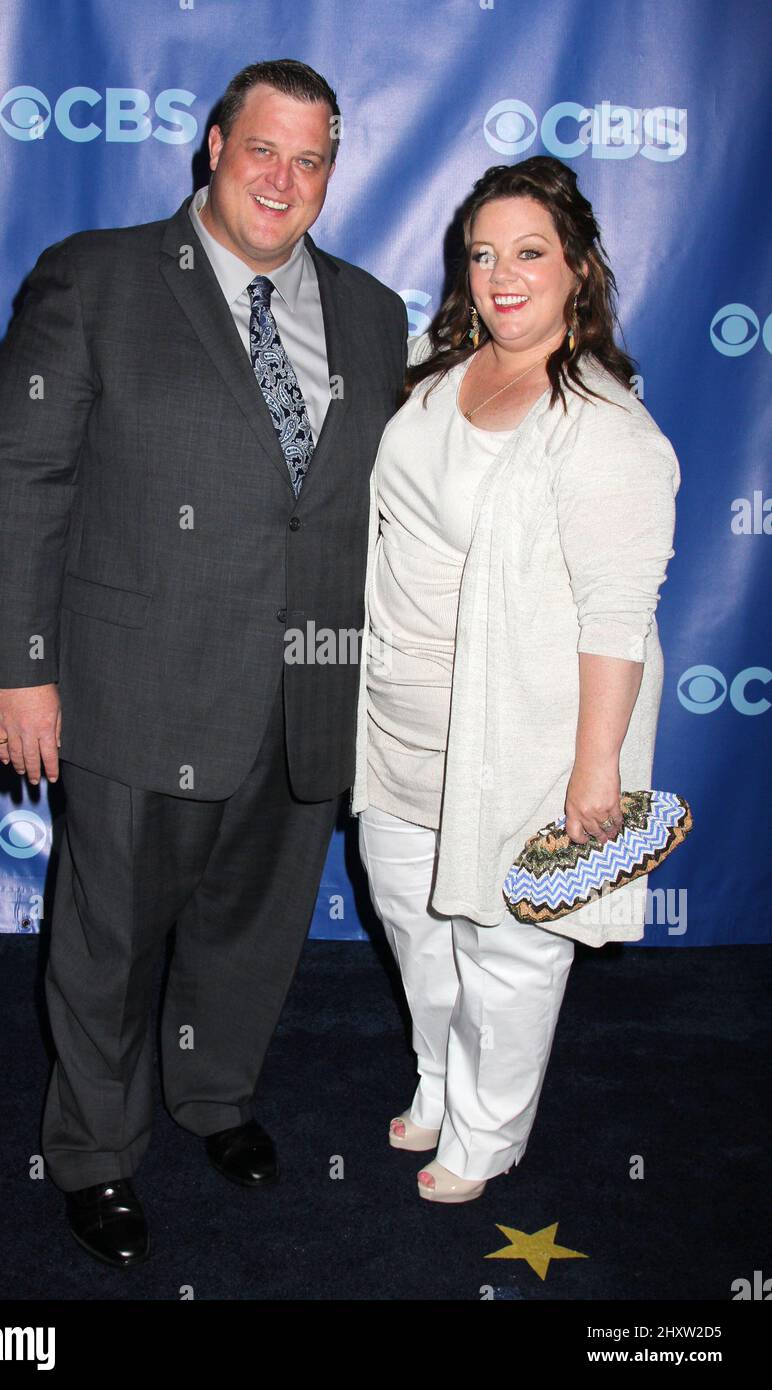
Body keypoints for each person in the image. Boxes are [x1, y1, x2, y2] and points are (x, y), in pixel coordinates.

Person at [0, 59, 407, 1265]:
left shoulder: (372, 313)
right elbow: (21, 477)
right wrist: (20, 667)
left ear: (330, 173)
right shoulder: (97, 278)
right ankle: (96, 1155)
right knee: (109, 941)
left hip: (312, 685)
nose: (283, 178)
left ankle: (214, 1097)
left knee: (252, 930)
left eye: (309, 158)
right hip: (136, 682)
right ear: (211, 147)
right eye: (261, 149)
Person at [350, 155, 680, 1203]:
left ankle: (489, 1134)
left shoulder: (603, 428)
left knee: (507, 948)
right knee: (415, 926)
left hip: (518, 741)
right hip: (396, 725)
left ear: (577, 269)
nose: (501, 274)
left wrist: (595, 771)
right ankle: (442, 1079)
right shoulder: (440, 371)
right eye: (482, 254)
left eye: (529, 252)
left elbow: (617, 612)